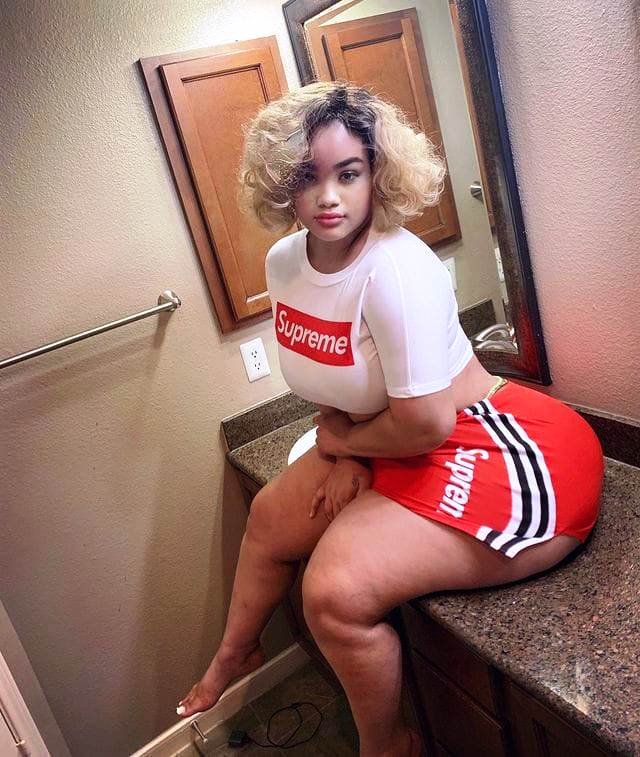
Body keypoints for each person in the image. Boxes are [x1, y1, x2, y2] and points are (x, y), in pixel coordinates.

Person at [176, 81, 604, 756]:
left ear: (377, 173)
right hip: (394, 436)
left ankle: (388, 747)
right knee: (268, 519)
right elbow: (322, 369)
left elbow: (428, 424)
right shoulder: (285, 262)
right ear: (283, 184)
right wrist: (347, 450)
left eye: (348, 174)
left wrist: (349, 445)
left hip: (495, 442)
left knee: (332, 595)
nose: (328, 197)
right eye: (307, 177)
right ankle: (238, 651)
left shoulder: (396, 269)